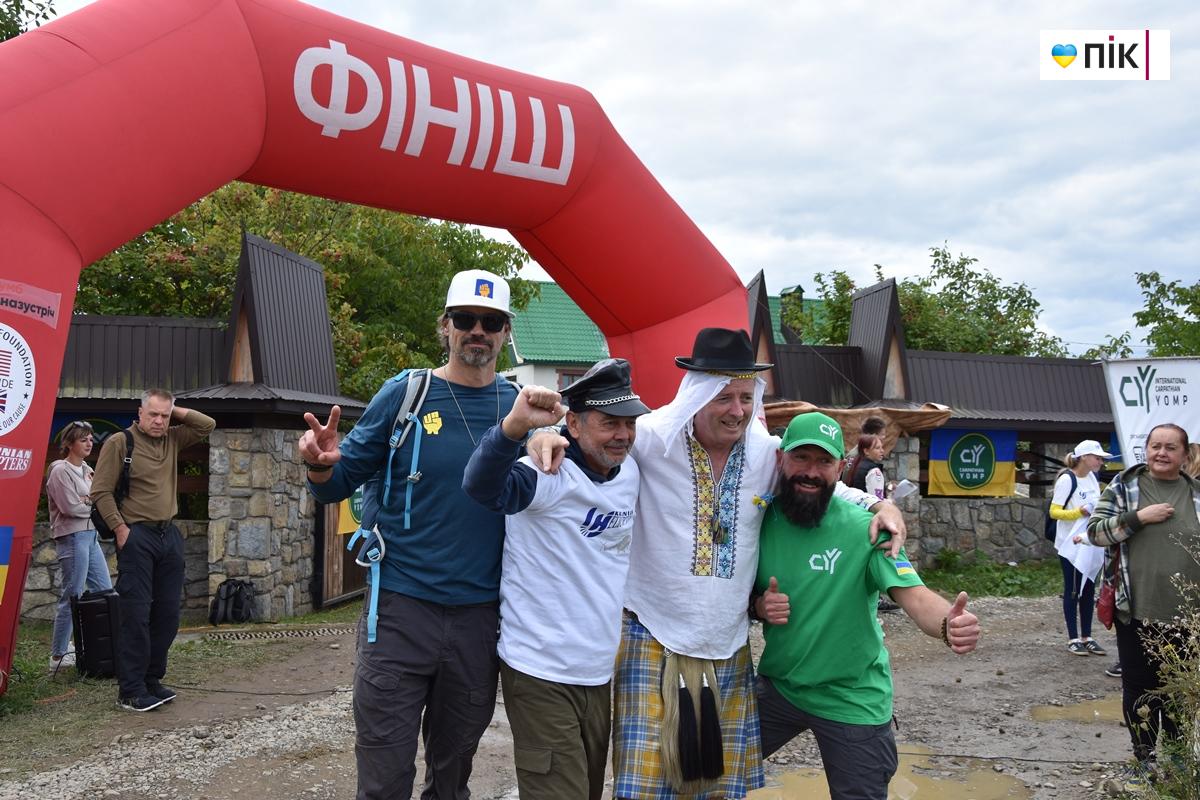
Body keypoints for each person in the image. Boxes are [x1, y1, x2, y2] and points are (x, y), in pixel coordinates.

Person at [529, 328, 909, 799]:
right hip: (652, 634)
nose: (737, 410)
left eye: (746, 397)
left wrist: (880, 507)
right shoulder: (651, 439)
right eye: (723, 396)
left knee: (714, 787)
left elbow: (816, 479)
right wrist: (544, 434)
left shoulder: (764, 454)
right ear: (697, 393)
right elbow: (593, 437)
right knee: (648, 786)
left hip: (728, 646)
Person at [301, 269, 521, 800]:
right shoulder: (409, 393)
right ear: (444, 326)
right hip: (399, 611)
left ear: (505, 333)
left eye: (491, 322)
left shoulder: (521, 408)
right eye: (466, 319)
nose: (478, 331)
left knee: (452, 775)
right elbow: (337, 485)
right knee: (384, 772)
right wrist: (320, 465)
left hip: (480, 617)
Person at [754, 412, 980, 800]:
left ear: (840, 468)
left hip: (852, 697)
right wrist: (759, 606)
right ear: (780, 460)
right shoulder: (758, 520)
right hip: (781, 686)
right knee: (708, 769)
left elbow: (915, 596)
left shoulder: (868, 529)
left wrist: (949, 623)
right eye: (801, 458)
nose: (811, 471)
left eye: (823, 461)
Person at [462, 358, 648, 800]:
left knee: (586, 790)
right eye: (609, 423)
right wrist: (519, 431)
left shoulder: (631, 472)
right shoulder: (546, 471)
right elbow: (481, 486)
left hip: (598, 672)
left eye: (629, 423)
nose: (622, 435)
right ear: (577, 426)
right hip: (541, 669)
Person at [1087, 423, 1200, 788]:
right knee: (1139, 688)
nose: (1161, 453)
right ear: (1146, 450)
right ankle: (1145, 758)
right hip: (1135, 610)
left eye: (1170, 447)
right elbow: (1094, 532)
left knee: (1182, 690)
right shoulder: (1123, 488)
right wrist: (1138, 518)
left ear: (1185, 455)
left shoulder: (1196, 494)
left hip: (1188, 616)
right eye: (1155, 446)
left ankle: (1181, 758)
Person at [92, 390, 215, 712]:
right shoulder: (121, 442)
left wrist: (177, 411)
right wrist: (120, 530)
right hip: (137, 535)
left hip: (168, 534)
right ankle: (130, 690)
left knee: (167, 615)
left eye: (165, 415)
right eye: (153, 414)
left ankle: (151, 680)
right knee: (136, 615)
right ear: (140, 413)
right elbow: (101, 491)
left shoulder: (172, 439)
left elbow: (207, 425)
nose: (159, 421)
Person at [45, 420, 113, 676]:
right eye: (83, 439)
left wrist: (87, 500)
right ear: (69, 443)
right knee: (71, 594)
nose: (89, 442)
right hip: (72, 537)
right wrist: (90, 502)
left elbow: (100, 497)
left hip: (91, 536)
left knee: (105, 591)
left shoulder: (87, 469)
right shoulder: (59, 471)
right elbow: (70, 508)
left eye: (90, 438)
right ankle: (58, 655)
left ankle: (99, 647)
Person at [1050, 439, 1112, 657]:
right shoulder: (1067, 479)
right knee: (1073, 589)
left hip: (1089, 542)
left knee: (1088, 589)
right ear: (1084, 457)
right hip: (1069, 544)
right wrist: (1080, 512)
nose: (1100, 462)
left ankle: (1087, 636)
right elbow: (1054, 512)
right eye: (1097, 457)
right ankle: (1073, 638)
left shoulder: (1094, 478)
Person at [847, 433, 887, 501]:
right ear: (866, 451)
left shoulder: (856, 465)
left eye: (881, 447)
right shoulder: (874, 471)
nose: (882, 451)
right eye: (877, 448)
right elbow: (877, 500)